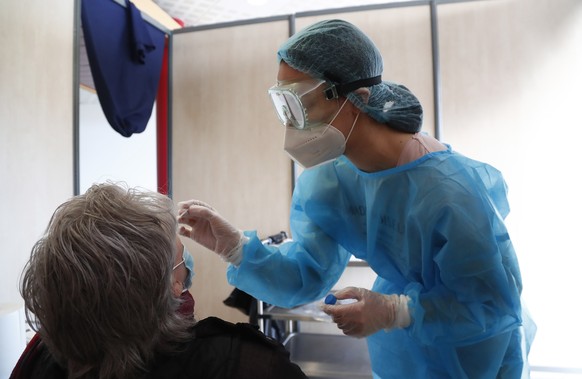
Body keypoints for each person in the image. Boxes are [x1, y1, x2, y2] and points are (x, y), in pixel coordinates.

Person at [177, 19, 535, 378]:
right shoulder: (328, 182)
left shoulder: (449, 191)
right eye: (282, 105)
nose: (290, 123)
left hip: (473, 356)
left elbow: (491, 306)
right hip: (401, 357)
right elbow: (307, 275)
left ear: (357, 99)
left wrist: (396, 311)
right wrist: (236, 247)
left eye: (300, 103)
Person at [10, 183, 306, 379]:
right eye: (179, 253)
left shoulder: (38, 363)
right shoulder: (250, 366)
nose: (186, 257)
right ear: (169, 287)